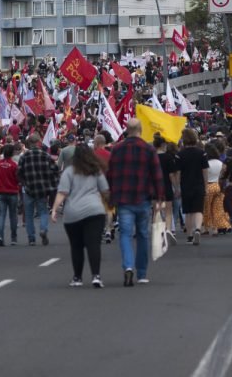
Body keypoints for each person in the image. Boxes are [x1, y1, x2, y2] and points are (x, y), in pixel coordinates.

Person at [105, 117, 164, 286]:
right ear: (141, 130)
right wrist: (159, 198)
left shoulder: (117, 150)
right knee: (143, 235)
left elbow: (110, 174)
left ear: (126, 129)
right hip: (143, 197)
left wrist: (110, 196)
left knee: (125, 234)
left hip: (123, 199)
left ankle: (128, 266)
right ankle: (142, 273)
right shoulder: (148, 149)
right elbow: (157, 175)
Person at [51, 143, 110, 288]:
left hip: (73, 213)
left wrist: (54, 210)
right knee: (93, 244)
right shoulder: (96, 170)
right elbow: (105, 190)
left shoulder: (69, 172)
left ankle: (77, 277)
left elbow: (62, 193)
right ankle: (96, 275)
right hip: (95, 211)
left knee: (76, 246)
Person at [18, 133, 59, 246]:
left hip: (29, 188)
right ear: (38, 143)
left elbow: (19, 172)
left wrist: (24, 182)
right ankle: (43, 229)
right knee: (43, 211)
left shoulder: (24, 157)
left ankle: (31, 238)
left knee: (29, 214)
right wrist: (50, 182)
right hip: (42, 188)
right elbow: (55, 169)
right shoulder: (45, 155)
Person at [0, 142, 21, 245]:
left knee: (1, 215)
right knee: (13, 215)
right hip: (12, 192)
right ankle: (13, 238)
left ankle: (0, 236)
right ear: (12, 153)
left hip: (0, 192)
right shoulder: (14, 165)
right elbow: (18, 179)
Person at [203, 142, 227, 236]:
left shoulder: (206, 163)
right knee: (216, 208)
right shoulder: (220, 163)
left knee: (206, 208)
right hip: (217, 185)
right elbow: (222, 175)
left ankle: (206, 228)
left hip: (208, 186)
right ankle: (215, 228)